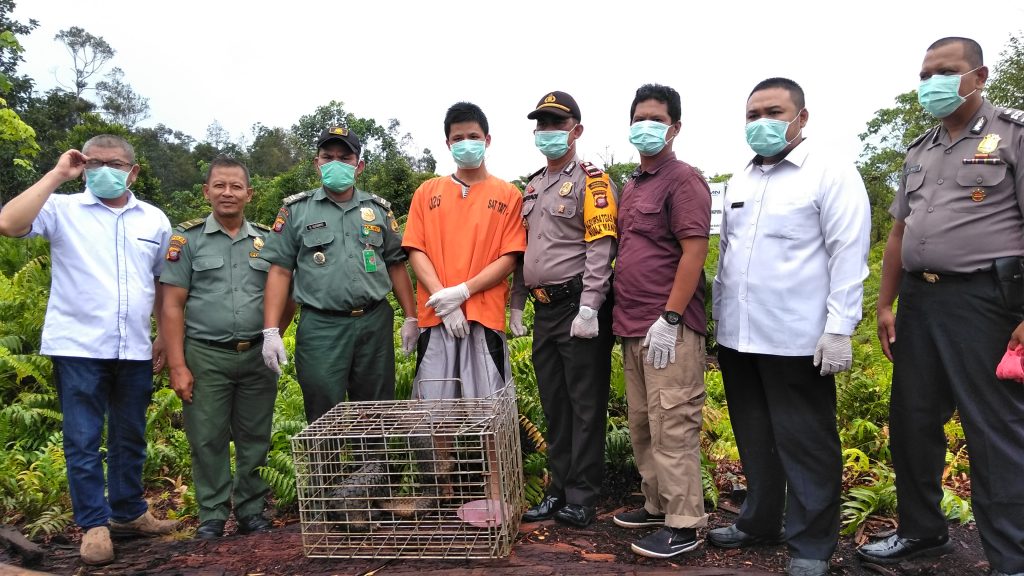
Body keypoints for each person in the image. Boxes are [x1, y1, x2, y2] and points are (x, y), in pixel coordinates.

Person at [857, 37, 1024, 576]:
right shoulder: (920, 147)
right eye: (926, 73)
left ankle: (1011, 557)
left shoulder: (1013, 136)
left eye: (945, 71)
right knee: (912, 420)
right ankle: (922, 531)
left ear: (978, 75)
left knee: (992, 428)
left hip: (986, 301)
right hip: (920, 302)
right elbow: (899, 233)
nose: (932, 82)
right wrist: (885, 304)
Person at [710, 78, 871, 576]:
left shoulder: (830, 173)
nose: (761, 123)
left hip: (798, 338)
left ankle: (812, 544)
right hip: (740, 336)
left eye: (773, 111)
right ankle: (760, 521)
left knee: (806, 441)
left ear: (801, 117)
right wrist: (718, 325)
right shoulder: (740, 180)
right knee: (754, 435)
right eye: (752, 114)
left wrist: (840, 327)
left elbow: (849, 252)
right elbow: (728, 259)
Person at [0, 135, 177, 566]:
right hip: (77, 347)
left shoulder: (154, 220)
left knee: (130, 436)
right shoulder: (61, 209)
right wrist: (60, 173)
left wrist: (163, 337)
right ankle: (94, 526)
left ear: (133, 171)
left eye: (112, 163)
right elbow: (8, 223)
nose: (101, 169)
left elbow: (160, 285)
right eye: (92, 162)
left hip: (133, 347)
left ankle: (130, 514)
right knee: (82, 439)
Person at [160, 157, 294, 539]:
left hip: (256, 355)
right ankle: (213, 516)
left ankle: (252, 511)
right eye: (219, 185)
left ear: (250, 194)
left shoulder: (268, 241)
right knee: (206, 437)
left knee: (256, 436)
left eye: (236, 186)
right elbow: (171, 305)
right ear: (206, 191)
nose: (227, 193)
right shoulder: (186, 240)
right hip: (205, 354)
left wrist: (272, 335)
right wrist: (177, 364)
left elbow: (287, 296)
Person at [610, 84, 711, 559]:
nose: (645, 126)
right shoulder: (632, 185)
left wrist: (670, 316)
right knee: (643, 423)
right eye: (638, 118)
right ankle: (655, 505)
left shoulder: (683, 180)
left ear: (674, 127)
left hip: (668, 325)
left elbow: (694, 251)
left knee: (673, 423)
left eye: (655, 118)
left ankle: (684, 522)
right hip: (632, 325)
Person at [258, 127, 417, 423]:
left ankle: (373, 468)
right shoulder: (296, 210)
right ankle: (327, 470)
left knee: (376, 405)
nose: (336, 163)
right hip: (321, 325)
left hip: (374, 322)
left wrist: (411, 317)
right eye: (328, 157)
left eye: (344, 158)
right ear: (317, 163)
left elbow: (396, 264)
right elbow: (280, 270)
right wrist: (271, 331)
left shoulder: (378, 210)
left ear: (359, 166)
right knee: (322, 403)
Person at [511, 91, 617, 528]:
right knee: (555, 403)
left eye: (557, 123)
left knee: (584, 404)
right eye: (542, 124)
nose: (548, 132)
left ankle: (582, 495)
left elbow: (600, 247)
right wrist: (517, 305)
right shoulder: (532, 186)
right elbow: (523, 253)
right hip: (544, 310)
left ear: (576, 130)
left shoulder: (594, 182)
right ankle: (557, 490)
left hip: (578, 308)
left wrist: (590, 307)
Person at [402, 102, 526, 399]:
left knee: (491, 416)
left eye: (473, 136)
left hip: (484, 318)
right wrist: (444, 300)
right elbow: (415, 250)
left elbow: (510, 257)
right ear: (447, 143)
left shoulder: (509, 195)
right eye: (458, 138)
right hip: (436, 318)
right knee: (434, 416)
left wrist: (463, 292)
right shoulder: (427, 192)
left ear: (487, 140)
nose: (465, 143)